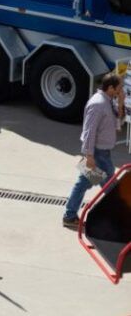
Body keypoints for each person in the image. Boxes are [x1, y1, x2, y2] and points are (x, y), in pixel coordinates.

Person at [62, 72, 123, 228]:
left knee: (83, 184)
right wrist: (89, 156)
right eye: (119, 87)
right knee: (111, 186)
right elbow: (89, 131)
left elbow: (118, 123)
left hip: (103, 152)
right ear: (110, 88)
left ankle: (69, 216)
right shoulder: (98, 104)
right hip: (97, 154)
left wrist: (121, 102)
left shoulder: (109, 101)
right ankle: (118, 218)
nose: (121, 90)